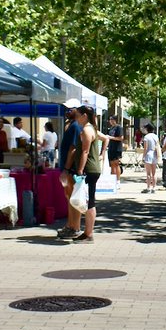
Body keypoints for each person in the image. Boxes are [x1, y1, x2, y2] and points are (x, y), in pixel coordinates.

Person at [71, 105, 110, 243]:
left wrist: (80, 169)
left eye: (77, 115)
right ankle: (87, 232)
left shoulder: (88, 130)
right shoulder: (92, 129)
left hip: (89, 170)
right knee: (88, 201)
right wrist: (101, 153)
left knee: (89, 202)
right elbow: (106, 139)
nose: (76, 119)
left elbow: (85, 151)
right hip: (92, 169)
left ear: (84, 116)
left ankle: (89, 234)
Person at [56, 100, 83, 238]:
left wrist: (66, 169)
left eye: (69, 109)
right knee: (69, 197)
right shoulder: (72, 125)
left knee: (73, 197)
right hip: (68, 169)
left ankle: (75, 227)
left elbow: (73, 149)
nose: (66, 111)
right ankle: (70, 225)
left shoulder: (76, 126)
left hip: (71, 169)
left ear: (76, 110)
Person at [140, 123, 160, 193]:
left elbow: (145, 148)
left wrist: (143, 156)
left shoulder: (146, 137)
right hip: (154, 154)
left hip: (148, 154)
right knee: (154, 173)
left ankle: (148, 188)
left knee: (148, 173)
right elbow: (157, 145)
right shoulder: (156, 136)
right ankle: (154, 188)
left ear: (147, 129)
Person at [106, 116, 125, 183]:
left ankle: (118, 180)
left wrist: (111, 137)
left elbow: (121, 138)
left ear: (115, 120)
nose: (110, 121)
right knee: (111, 165)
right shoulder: (111, 128)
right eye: (109, 119)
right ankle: (112, 180)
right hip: (111, 148)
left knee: (116, 164)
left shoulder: (119, 128)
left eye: (111, 119)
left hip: (117, 148)